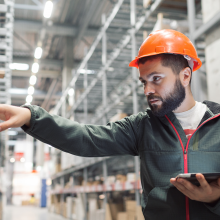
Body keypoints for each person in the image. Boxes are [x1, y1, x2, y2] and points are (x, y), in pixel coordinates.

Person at [0, 29, 220, 220]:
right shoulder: (143, 126)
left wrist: (215, 199)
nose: (147, 90)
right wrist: (32, 116)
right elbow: (86, 138)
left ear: (185, 75)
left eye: (156, 79)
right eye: (144, 82)